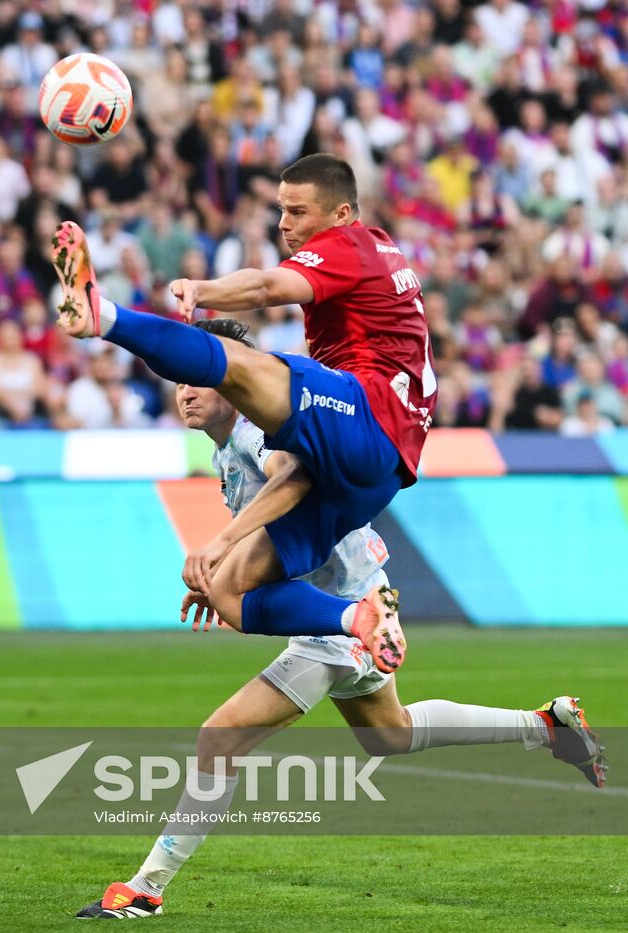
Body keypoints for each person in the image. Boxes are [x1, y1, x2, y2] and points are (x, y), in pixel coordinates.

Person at [76, 320, 606, 920]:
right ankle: (546, 726)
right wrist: (226, 571)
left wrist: (222, 547)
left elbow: (294, 476)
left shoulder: (256, 434)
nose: (184, 391)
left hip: (346, 616)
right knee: (391, 734)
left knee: (219, 739)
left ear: (231, 376)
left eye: (195, 378)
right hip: (359, 599)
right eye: (177, 382)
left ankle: (147, 888)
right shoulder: (229, 444)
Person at [50, 153, 436, 673]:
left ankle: (105, 316)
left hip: (372, 415)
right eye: (280, 210)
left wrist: (202, 291)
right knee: (228, 590)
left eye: (298, 211)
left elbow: (265, 289)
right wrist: (223, 542)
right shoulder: (377, 252)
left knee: (238, 367)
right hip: (374, 476)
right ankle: (360, 620)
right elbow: (297, 475)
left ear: (342, 214)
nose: (283, 223)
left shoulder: (353, 244)